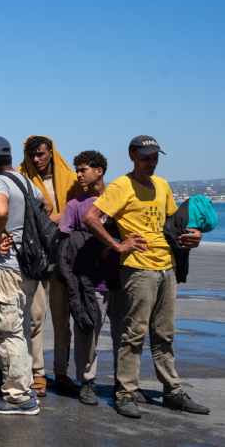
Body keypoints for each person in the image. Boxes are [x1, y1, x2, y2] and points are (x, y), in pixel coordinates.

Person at [84, 136, 209, 418]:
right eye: (145, 157)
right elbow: (91, 217)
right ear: (132, 156)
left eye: (154, 157)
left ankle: (172, 392)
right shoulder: (121, 186)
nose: (150, 162)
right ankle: (126, 392)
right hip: (138, 269)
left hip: (167, 268)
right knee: (134, 334)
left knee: (165, 334)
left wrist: (194, 235)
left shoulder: (162, 185)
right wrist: (117, 246)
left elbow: (175, 224)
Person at [0, 136, 48, 415]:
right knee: (17, 329)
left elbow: (0, 209)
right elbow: (49, 207)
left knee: (5, 332)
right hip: (24, 269)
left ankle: (18, 398)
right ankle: (25, 389)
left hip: (5, 268)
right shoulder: (26, 182)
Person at [57, 150, 124, 406]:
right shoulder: (75, 205)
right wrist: (98, 246)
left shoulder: (119, 199)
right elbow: (66, 242)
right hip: (89, 282)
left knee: (124, 336)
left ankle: (124, 384)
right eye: (77, 170)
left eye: (83, 169)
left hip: (121, 279)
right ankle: (87, 382)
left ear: (100, 171)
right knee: (87, 334)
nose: (78, 175)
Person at [19, 135, 81, 396]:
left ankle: (62, 373)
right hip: (36, 259)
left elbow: (81, 212)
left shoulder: (71, 180)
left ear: (51, 152)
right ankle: (38, 373)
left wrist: (59, 216)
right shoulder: (21, 177)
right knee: (34, 318)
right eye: (32, 154)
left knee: (61, 320)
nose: (36, 159)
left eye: (41, 154)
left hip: (64, 259)